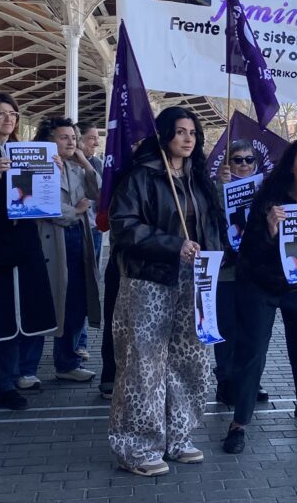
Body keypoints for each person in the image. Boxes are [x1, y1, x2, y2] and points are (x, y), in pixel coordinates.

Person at [108, 106, 225, 476]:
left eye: (193, 132)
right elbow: (124, 226)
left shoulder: (199, 178)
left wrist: (213, 257)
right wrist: (172, 245)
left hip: (194, 282)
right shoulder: (141, 176)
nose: (188, 138)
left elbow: (213, 228)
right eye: (180, 131)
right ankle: (138, 445)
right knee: (144, 364)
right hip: (148, 282)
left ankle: (179, 436)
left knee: (191, 360)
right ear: (163, 136)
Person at [222, 139, 297, 453]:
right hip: (260, 284)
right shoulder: (269, 199)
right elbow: (247, 253)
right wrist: (268, 230)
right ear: (291, 165)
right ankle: (239, 424)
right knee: (252, 353)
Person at [0, 92, 57, 417]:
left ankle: (6, 384)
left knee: (18, 319)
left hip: (23, 243)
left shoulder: (24, 151)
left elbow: (39, 197)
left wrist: (52, 171)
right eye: (1, 113)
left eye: (13, 114)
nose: (9, 119)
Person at [20, 117, 100, 389]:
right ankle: (26, 367)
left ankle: (67, 362)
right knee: (44, 303)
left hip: (78, 241)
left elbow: (99, 192)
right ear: (48, 141)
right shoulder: (33, 165)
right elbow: (39, 204)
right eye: (64, 137)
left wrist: (85, 162)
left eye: (74, 137)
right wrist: (74, 211)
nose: (72, 142)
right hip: (48, 242)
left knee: (75, 303)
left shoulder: (76, 168)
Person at [212, 140, 270, 407]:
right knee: (225, 329)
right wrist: (220, 186)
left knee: (253, 330)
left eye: (249, 160)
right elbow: (207, 219)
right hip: (225, 271)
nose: (244, 165)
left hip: (255, 270)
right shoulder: (214, 188)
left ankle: (249, 381)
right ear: (228, 163)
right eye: (238, 160)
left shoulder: (265, 189)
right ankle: (225, 381)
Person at [75, 123, 103, 362]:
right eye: (90, 138)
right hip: (78, 227)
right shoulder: (71, 164)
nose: (95, 142)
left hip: (95, 229)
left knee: (89, 287)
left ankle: (81, 342)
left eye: (97, 138)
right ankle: (76, 342)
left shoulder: (97, 163)